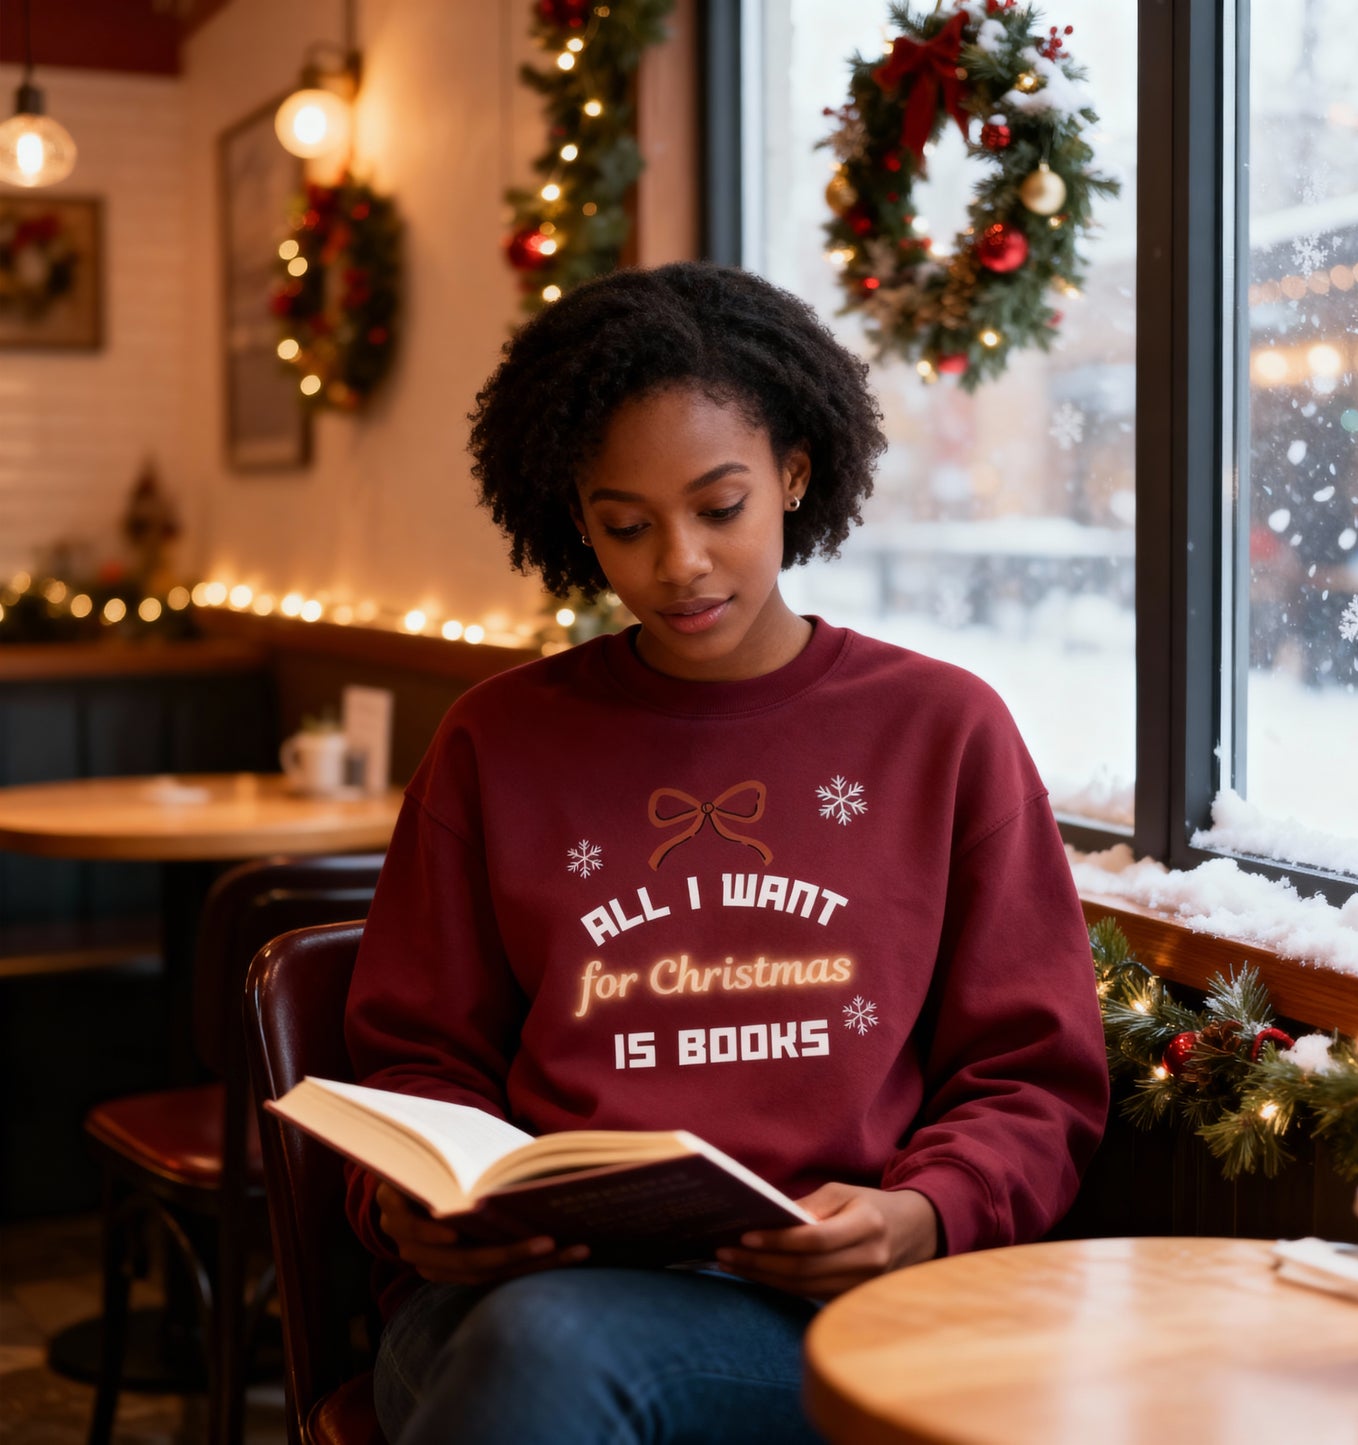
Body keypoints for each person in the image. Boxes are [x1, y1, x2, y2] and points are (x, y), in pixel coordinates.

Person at [344, 261, 1110, 1444]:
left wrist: (924, 1209)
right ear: (574, 516)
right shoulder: (496, 740)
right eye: (624, 525)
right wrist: (413, 1206)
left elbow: (1033, 1072)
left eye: (719, 506)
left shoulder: (939, 729)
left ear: (793, 475)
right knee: (543, 1346)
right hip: (512, 1305)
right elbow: (413, 1059)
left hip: (835, 1310)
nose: (679, 564)